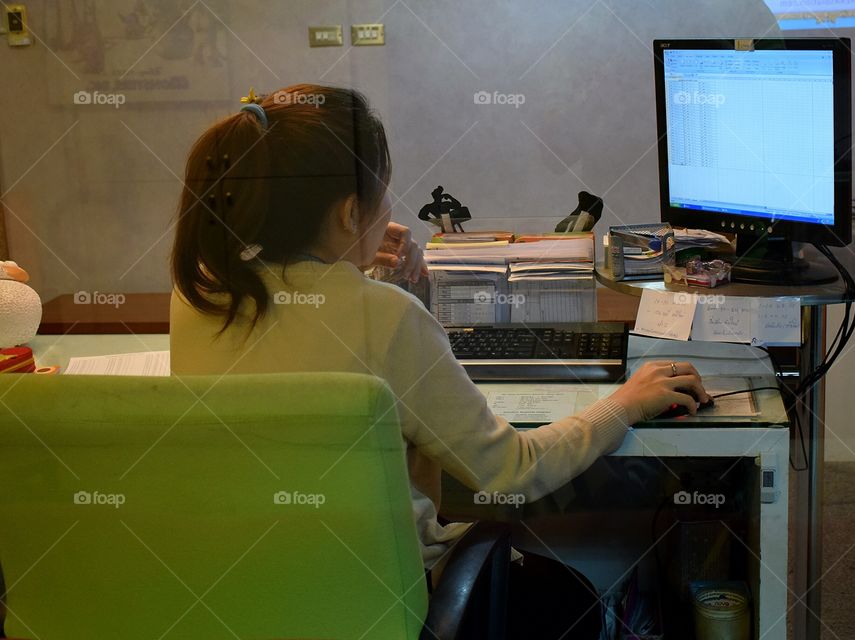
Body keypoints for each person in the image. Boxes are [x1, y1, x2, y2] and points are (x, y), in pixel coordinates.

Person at [169, 84, 709, 639]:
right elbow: (511, 472)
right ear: (350, 213)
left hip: (247, 598)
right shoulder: (383, 318)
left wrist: (360, 273)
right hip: (383, 601)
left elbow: (310, 336)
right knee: (575, 603)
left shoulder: (195, 299)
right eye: (382, 195)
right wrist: (622, 404)